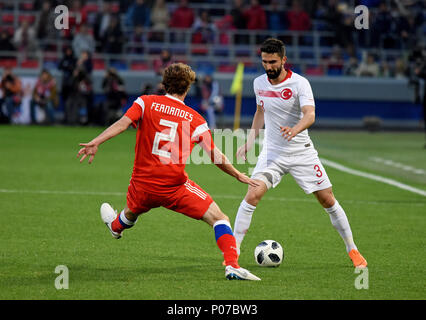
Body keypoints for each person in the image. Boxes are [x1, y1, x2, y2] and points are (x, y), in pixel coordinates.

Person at [76, 63, 261, 281]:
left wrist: (96, 141)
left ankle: (115, 227)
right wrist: (237, 174)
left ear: (163, 84)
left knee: (131, 213)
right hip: (174, 187)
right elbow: (214, 155)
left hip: (142, 185)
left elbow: (123, 124)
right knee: (219, 218)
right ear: (187, 88)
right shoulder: (196, 119)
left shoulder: (145, 102)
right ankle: (232, 266)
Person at [231, 38, 367, 269]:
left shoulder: (300, 84)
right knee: (252, 195)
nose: (268, 66)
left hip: (301, 152)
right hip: (272, 152)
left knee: (327, 199)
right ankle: (233, 253)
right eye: (264, 61)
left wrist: (294, 130)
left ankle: (352, 249)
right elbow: (259, 112)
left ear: (284, 60)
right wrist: (249, 141)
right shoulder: (258, 83)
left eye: (273, 62)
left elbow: (310, 115)